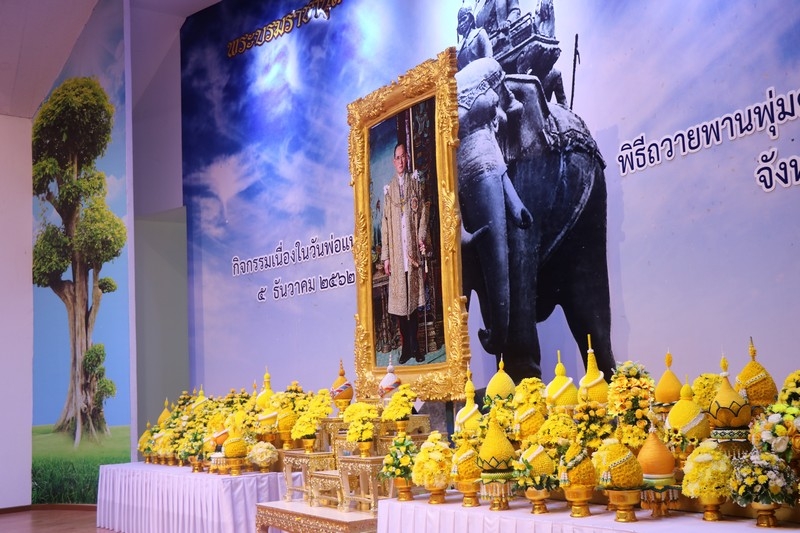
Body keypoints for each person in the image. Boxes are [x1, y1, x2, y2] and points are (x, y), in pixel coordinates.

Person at [380, 143, 429, 364]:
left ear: (407, 159)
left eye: (403, 157)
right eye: (397, 158)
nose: (400, 161)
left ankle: (416, 346)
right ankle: (406, 347)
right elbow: (385, 226)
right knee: (401, 304)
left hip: (412, 253)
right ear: (393, 162)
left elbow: (423, 213)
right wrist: (386, 257)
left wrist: (421, 237)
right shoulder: (389, 190)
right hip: (397, 256)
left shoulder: (415, 184)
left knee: (414, 301)